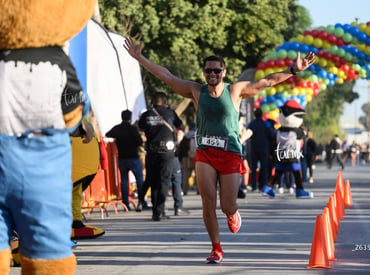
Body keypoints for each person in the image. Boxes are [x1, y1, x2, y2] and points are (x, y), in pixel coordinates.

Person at [124, 35, 315, 263]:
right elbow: (166, 75)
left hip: (230, 153)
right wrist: (139, 58)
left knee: (227, 204)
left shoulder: (235, 91)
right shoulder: (196, 91)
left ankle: (233, 213)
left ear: (223, 72)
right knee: (208, 202)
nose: (212, 74)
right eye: (208, 71)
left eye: (216, 70)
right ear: (204, 73)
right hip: (205, 153)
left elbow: (267, 82)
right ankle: (216, 248)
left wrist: (293, 70)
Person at [138, 92, 183, 221]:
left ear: (152, 102)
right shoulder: (170, 113)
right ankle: (160, 211)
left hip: (152, 151)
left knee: (153, 181)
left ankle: (155, 212)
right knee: (164, 181)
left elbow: (140, 127)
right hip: (166, 152)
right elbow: (180, 126)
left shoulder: (147, 114)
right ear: (165, 101)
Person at [105, 110, 144, 211]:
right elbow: (139, 142)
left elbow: (108, 134)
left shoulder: (117, 128)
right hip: (133, 157)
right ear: (130, 118)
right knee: (139, 179)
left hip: (122, 158)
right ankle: (141, 201)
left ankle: (125, 203)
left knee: (124, 180)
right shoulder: (132, 129)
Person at [247, 108, 274, 192]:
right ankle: (263, 185)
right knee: (264, 168)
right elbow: (271, 135)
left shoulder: (251, 124)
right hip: (264, 148)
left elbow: (248, 133)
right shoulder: (266, 124)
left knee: (254, 168)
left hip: (254, 148)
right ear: (262, 114)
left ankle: (254, 186)